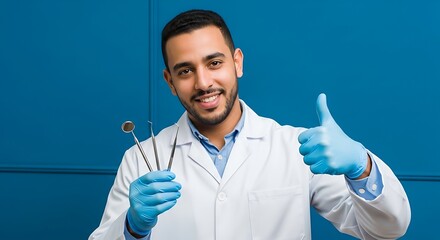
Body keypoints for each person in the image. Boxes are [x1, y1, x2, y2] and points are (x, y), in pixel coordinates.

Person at [89, 9, 410, 240]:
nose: (203, 82)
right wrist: (132, 228)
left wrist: (361, 167)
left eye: (214, 63)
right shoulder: (141, 159)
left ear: (237, 62)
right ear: (170, 81)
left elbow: (386, 230)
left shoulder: (295, 148)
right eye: (185, 71)